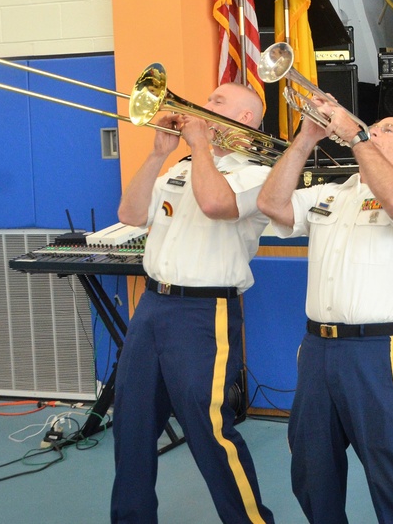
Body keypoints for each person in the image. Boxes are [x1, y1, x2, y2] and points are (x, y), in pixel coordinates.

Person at [256, 101, 393, 524]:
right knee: (311, 469)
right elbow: (272, 204)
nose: (375, 127)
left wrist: (357, 137)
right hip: (317, 348)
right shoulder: (330, 194)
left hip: (375, 351)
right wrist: (305, 139)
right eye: (375, 124)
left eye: (388, 128)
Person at [111, 83, 274, 523]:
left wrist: (200, 143)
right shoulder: (178, 167)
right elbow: (129, 213)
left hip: (204, 314)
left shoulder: (256, 175)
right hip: (153, 307)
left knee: (209, 431)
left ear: (243, 120)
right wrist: (156, 154)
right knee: (132, 425)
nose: (204, 105)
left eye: (217, 101)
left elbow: (217, 203)